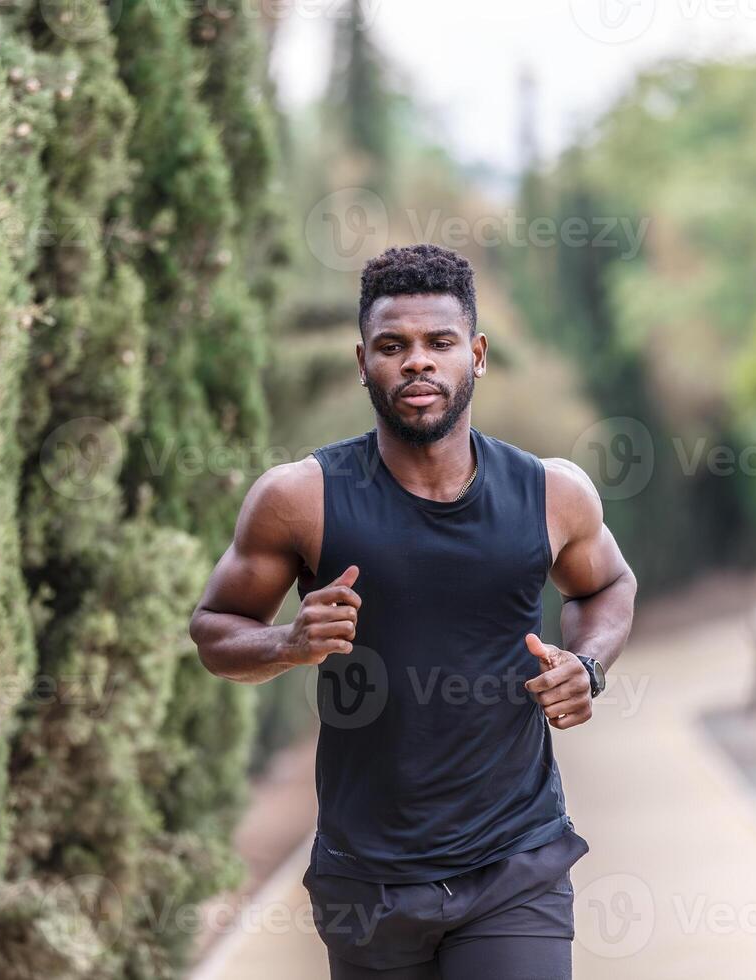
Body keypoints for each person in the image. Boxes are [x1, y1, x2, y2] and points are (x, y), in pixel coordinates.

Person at [188, 243, 637, 978]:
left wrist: (587, 664)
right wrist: (287, 642)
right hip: (368, 880)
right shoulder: (300, 498)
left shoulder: (551, 492)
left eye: (440, 343)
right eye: (393, 346)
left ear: (478, 354)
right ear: (363, 361)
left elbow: (607, 586)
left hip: (514, 862)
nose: (417, 362)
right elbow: (214, 630)